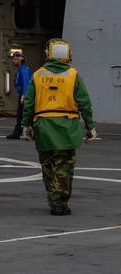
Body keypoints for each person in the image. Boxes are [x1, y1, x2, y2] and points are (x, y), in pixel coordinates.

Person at [21, 38, 97, 216]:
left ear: (48, 54)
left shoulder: (38, 75)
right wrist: (90, 127)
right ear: (68, 55)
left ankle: (53, 199)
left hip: (43, 126)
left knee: (47, 165)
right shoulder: (73, 75)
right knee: (64, 166)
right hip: (66, 127)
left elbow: (29, 103)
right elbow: (84, 103)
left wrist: (26, 126)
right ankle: (59, 204)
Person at [6, 51, 31, 139]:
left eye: (15, 59)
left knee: (24, 114)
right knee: (22, 115)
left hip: (25, 96)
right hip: (23, 95)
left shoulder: (23, 71)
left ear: (20, 60)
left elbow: (26, 83)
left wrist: (24, 96)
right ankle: (18, 133)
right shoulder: (21, 70)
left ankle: (19, 133)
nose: (13, 61)